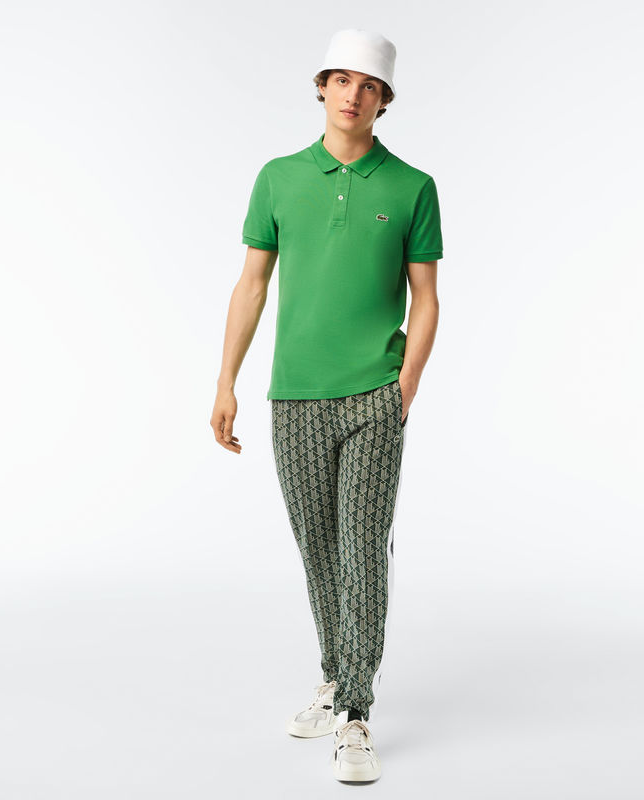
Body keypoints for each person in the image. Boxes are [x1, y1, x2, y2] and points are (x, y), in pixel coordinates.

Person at [210, 28, 443, 783]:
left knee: (363, 548)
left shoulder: (412, 187)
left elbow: (427, 296)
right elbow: (252, 285)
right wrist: (226, 381)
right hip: (295, 397)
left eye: (368, 85)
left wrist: (405, 384)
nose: (353, 95)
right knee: (319, 550)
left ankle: (356, 713)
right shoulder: (278, 178)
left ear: (384, 100)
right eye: (341, 80)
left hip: (375, 395)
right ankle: (335, 674)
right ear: (321, 87)